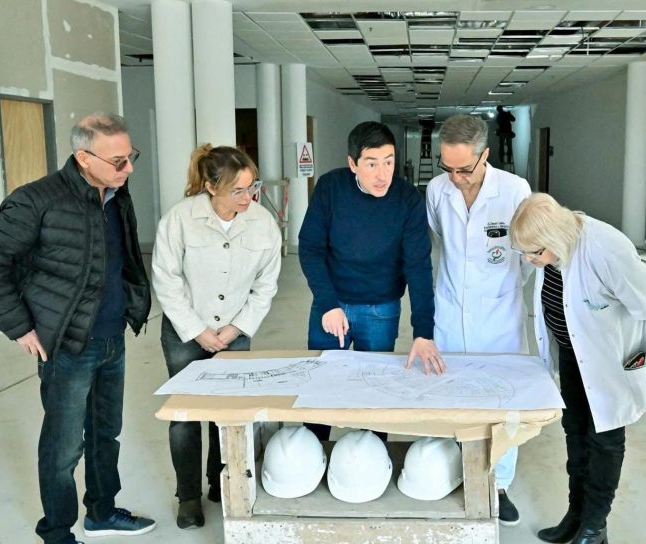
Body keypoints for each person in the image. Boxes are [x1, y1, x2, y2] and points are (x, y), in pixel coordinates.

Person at [0, 114, 154, 543]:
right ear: (83, 158)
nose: (129, 168)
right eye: (118, 161)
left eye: (131, 157)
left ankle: (102, 513)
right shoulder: (37, 201)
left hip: (112, 338)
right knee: (63, 447)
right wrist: (20, 327)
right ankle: (56, 533)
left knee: (106, 434)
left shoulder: (116, 194)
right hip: (67, 346)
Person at [510, 193, 646, 544]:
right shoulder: (553, 252)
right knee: (575, 431)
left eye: (533, 253)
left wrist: (637, 353)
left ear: (553, 238)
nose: (529, 260)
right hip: (573, 354)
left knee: (605, 439)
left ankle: (595, 527)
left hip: (611, 363)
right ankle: (576, 515)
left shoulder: (605, 248)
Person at [152, 144, 281, 529]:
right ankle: (188, 497)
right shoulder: (180, 219)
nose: (248, 197)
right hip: (184, 333)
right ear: (210, 187)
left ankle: (218, 483)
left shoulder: (262, 223)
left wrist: (236, 328)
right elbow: (167, 280)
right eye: (237, 190)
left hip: (235, 332)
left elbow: (266, 285)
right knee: (185, 415)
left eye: (252, 187)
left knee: (227, 414)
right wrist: (198, 331)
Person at [299, 121, 442, 441]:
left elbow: (419, 268)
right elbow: (310, 249)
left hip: (381, 308)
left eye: (389, 162)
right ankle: (312, 451)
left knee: (376, 388)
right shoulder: (330, 188)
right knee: (322, 383)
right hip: (331, 303)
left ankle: (372, 455)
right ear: (353, 164)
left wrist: (423, 332)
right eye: (372, 164)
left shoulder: (407, 200)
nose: (382, 174)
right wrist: (327, 303)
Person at [422, 114, 532, 526]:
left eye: (464, 169)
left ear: (485, 155)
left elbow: (528, 255)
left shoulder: (515, 190)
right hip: (451, 309)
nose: (456, 178)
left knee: (502, 401)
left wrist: (501, 290)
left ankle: (499, 484)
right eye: (447, 168)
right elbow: (439, 240)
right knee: (450, 394)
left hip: (500, 314)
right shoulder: (437, 190)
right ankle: (455, 472)